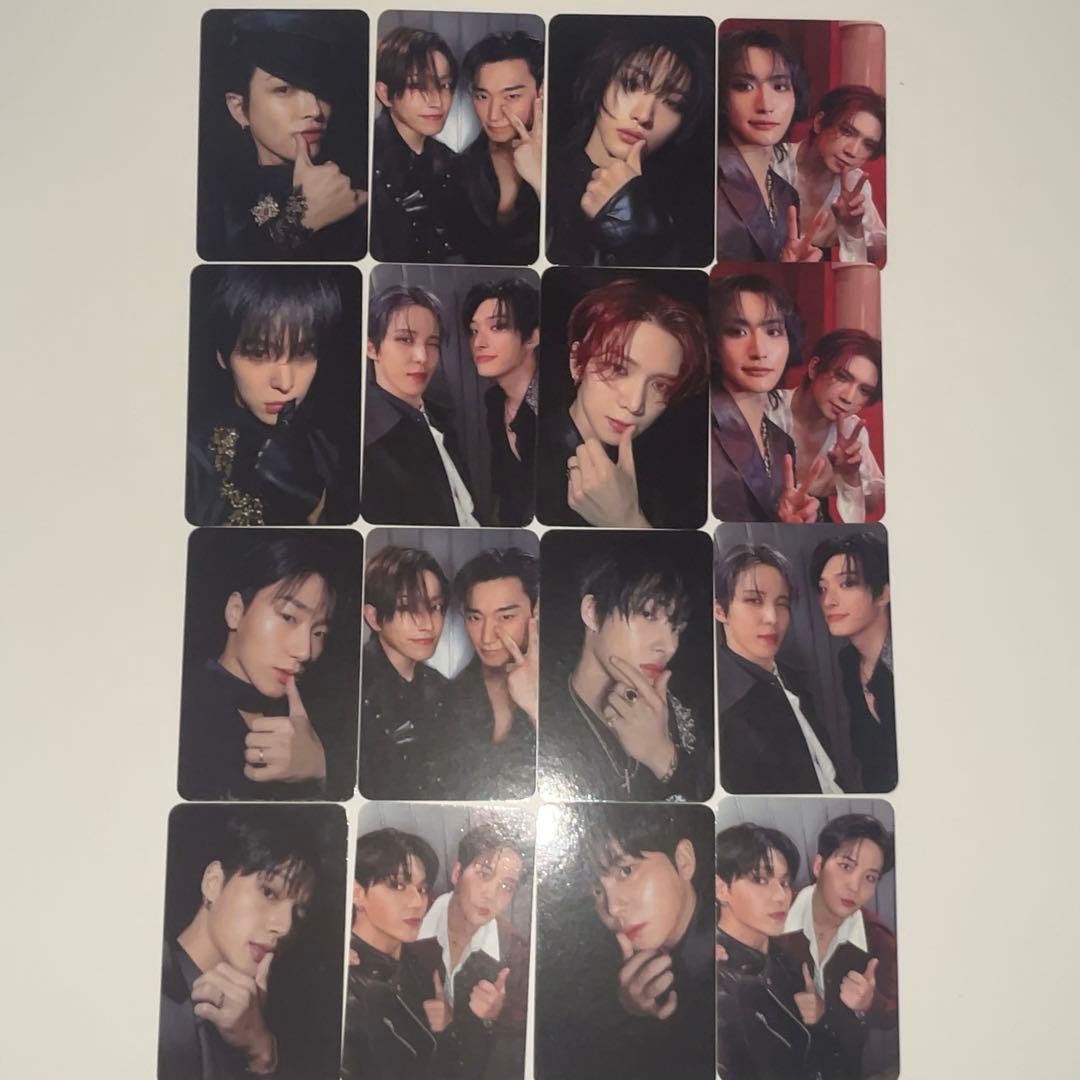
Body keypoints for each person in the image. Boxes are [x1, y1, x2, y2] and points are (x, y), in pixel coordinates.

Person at [548, 806, 714, 1080]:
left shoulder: (722, 959)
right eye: (597, 891)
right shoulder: (602, 965)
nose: (612, 908)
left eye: (625, 871)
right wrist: (633, 1012)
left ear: (684, 861)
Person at [540, 540, 712, 801]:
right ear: (592, 613)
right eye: (648, 615)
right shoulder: (542, 714)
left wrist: (662, 755)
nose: (668, 646)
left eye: (676, 627)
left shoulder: (687, 713)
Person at [178, 535, 345, 801]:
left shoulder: (325, 719)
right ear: (235, 611)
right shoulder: (180, 711)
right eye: (288, 617)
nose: (304, 651)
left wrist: (321, 767)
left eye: (319, 632)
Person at [159, 810, 321, 1080]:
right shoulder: (155, 990)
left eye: (299, 912)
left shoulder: (263, 1016)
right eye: (269, 892)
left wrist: (261, 1051)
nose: (285, 926)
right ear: (213, 882)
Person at [536, 277, 709, 529]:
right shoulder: (530, 460)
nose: (635, 404)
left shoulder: (670, 476)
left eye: (661, 385)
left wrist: (628, 520)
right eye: (618, 368)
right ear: (577, 362)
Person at [186, 266, 352, 526]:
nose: (285, 384)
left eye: (302, 353)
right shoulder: (190, 456)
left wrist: (317, 510)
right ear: (222, 355)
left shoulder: (331, 450)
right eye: (258, 353)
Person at [198, 13, 367, 261]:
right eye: (284, 89)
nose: (315, 110)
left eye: (322, 90)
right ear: (239, 109)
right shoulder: (211, 203)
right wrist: (301, 220)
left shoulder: (358, 193)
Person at [547, 23, 713, 267]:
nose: (644, 115)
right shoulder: (545, 174)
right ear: (601, 82)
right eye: (631, 84)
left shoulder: (686, 218)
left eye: (672, 102)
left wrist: (632, 228)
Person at [344, 828, 490, 1080]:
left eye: (422, 889)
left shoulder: (420, 960)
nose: (417, 902)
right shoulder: (342, 983)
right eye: (398, 886)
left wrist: (449, 1026)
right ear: (357, 893)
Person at [714, 543, 846, 794]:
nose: (772, 618)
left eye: (781, 603)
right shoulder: (723, 708)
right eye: (754, 600)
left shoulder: (795, 677)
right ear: (720, 610)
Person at [783, 814, 899, 1080]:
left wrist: (870, 1003)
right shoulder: (774, 917)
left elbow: (893, 1015)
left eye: (870, 877)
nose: (855, 886)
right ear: (819, 865)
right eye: (846, 866)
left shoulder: (879, 939)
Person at [418, 823, 532, 1080]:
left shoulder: (516, 954)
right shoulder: (410, 918)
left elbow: (521, 1053)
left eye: (506, 887)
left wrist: (494, 1017)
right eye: (484, 873)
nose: (491, 894)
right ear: (458, 873)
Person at [710, 272, 824, 524]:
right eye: (737, 332)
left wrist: (794, 522)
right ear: (714, 345)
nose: (759, 351)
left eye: (773, 331)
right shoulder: (695, 429)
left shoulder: (781, 442)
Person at [361, 285, 479, 526]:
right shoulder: (367, 440)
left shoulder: (441, 416)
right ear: (372, 347)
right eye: (405, 339)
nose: (422, 357)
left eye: (432, 343)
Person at [714, 822, 820, 1080]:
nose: (781, 896)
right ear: (721, 889)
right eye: (761, 880)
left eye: (785, 882)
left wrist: (820, 1017)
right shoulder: (713, 981)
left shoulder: (791, 960)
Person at [715, 29, 827, 263]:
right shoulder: (703, 180)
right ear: (722, 97)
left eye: (780, 87)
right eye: (744, 86)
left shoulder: (786, 194)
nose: (765, 105)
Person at [445, 550, 539, 800]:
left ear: (536, 612)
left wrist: (535, 706)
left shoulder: (568, 686)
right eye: (475, 618)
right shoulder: (447, 697)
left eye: (506, 617)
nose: (486, 637)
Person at [359, 546, 451, 800]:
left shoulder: (443, 688)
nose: (427, 624)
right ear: (374, 617)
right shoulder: (353, 687)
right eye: (407, 608)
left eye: (435, 606)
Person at [767, 330, 884, 524]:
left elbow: (872, 504)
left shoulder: (850, 431)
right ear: (814, 368)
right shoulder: (767, 410)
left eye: (864, 390)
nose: (849, 397)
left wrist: (849, 475)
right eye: (842, 377)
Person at [811, 532, 896, 791]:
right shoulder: (848, 663)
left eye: (847, 584)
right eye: (823, 588)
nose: (828, 601)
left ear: (883, 593)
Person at [370, 27, 461, 263]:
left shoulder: (452, 162)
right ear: (385, 94)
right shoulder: (364, 161)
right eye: (418, 86)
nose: (436, 101)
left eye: (444, 85)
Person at [455, 32, 545, 265]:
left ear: (541, 93)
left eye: (512, 96)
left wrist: (540, 183)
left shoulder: (566, 163)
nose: (493, 115)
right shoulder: (458, 168)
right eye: (482, 96)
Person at [773, 85, 887, 265]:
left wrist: (852, 226)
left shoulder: (854, 183)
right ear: (819, 123)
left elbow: (874, 253)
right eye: (847, 132)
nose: (853, 151)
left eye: (868, 145)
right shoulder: (773, 162)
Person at [461, 279, 540, 526]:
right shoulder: (495, 401)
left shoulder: (559, 405)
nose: (478, 343)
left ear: (532, 337)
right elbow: (503, 483)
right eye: (474, 331)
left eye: (496, 327)